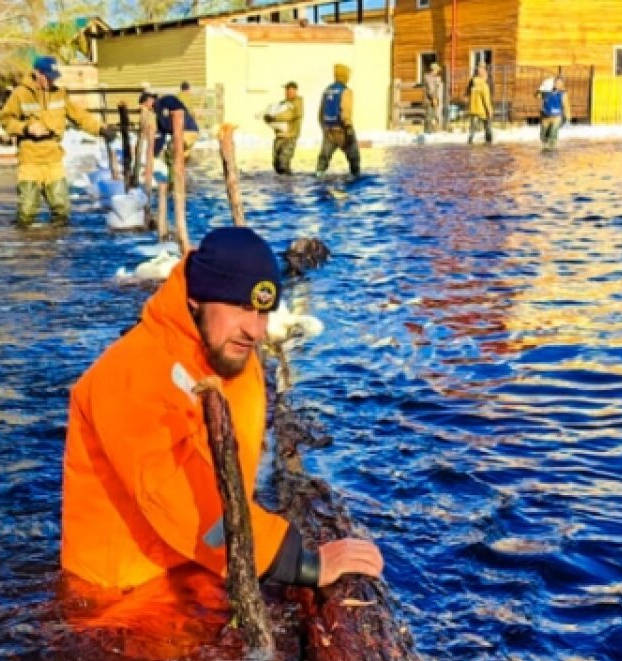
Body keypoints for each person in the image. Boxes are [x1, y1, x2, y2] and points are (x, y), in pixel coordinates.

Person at [61, 226, 385, 604]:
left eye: (263, 311)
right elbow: (180, 499)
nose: (253, 329)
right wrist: (296, 560)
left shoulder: (229, 354)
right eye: (240, 307)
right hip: (119, 598)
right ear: (197, 299)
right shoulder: (133, 373)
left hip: (197, 572)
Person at [0, 55, 113, 226]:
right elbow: (6, 120)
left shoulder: (60, 94)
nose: (51, 81)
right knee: (27, 211)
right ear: (37, 74)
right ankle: (25, 246)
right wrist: (26, 129)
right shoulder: (20, 94)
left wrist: (101, 129)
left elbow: (80, 116)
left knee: (61, 209)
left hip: (53, 157)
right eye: (47, 77)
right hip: (30, 159)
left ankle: (58, 244)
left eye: (53, 77)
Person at [140, 91, 200, 187]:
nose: (148, 109)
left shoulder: (166, 100)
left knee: (171, 153)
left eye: (146, 105)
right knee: (180, 159)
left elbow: (180, 110)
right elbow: (161, 136)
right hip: (182, 134)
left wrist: (170, 113)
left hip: (187, 131)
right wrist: (153, 155)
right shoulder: (159, 116)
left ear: (150, 100)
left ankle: (175, 183)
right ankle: (183, 184)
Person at [316, 64, 361, 177]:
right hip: (342, 130)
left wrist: (324, 128)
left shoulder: (326, 91)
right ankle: (355, 178)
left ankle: (319, 175)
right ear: (345, 75)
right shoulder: (345, 91)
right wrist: (348, 126)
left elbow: (320, 113)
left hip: (329, 130)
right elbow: (345, 109)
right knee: (354, 157)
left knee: (323, 158)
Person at [263, 81, 303, 175]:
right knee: (276, 164)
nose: (287, 92)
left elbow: (289, 114)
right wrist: (267, 118)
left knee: (283, 163)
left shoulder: (297, 103)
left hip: (290, 136)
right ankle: (280, 186)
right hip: (279, 136)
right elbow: (272, 113)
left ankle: (287, 186)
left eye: (289, 90)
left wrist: (274, 117)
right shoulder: (282, 103)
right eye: (286, 90)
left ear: (295, 91)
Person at [537, 77, 569, 150]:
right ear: (553, 83)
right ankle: (545, 148)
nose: (558, 85)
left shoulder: (563, 94)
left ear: (563, 84)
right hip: (545, 117)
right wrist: (541, 88)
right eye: (557, 83)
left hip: (557, 117)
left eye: (560, 83)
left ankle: (552, 149)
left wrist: (567, 117)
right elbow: (537, 96)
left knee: (553, 133)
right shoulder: (546, 92)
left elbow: (566, 105)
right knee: (543, 135)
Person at [466, 64, 493, 145]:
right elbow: (486, 100)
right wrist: (490, 110)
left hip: (473, 109)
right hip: (483, 110)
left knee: (472, 128)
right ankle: (489, 143)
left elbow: (468, 93)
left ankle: (470, 141)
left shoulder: (473, 83)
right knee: (488, 127)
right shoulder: (484, 86)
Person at [423, 62, 444, 134]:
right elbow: (430, 89)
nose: (437, 72)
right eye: (436, 70)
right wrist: (434, 98)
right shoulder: (428, 78)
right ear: (433, 70)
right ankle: (428, 131)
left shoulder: (436, 78)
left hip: (435, 99)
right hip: (429, 100)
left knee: (434, 115)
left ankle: (433, 129)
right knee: (429, 115)